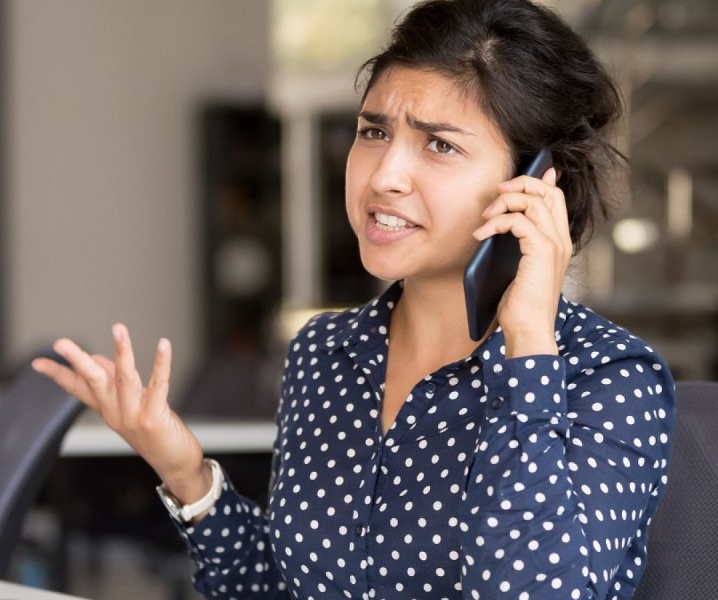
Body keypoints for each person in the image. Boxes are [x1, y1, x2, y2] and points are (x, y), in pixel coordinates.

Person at [33, 0, 676, 597]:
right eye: (373, 132)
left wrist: (529, 352)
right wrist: (185, 471)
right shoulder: (327, 353)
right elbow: (289, 586)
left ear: (535, 187)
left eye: (440, 144)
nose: (385, 176)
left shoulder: (609, 379)